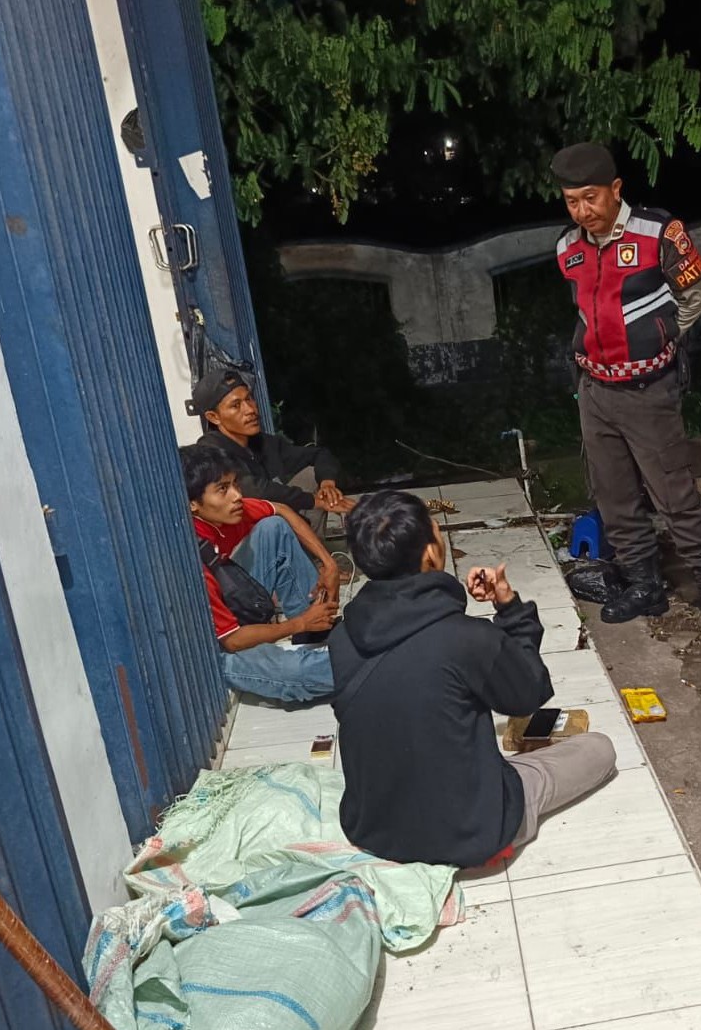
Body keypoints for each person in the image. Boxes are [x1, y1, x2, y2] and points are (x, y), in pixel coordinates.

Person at [329, 490, 617, 867]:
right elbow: (527, 694)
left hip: (373, 830)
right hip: (471, 832)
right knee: (599, 748)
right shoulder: (466, 638)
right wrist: (509, 607)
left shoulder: (342, 637)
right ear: (430, 553)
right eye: (436, 530)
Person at [549, 142, 701, 641]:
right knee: (614, 496)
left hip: (648, 391)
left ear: (615, 189)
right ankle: (645, 586)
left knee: (674, 494)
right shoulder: (567, 247)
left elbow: (695, 295)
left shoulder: (658, 233)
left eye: (591, 198)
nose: (582, 211)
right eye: (572, 201)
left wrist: (663, 336)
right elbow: (585, 311)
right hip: (595, 391)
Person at [180, 445, 340, 704]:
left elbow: (282, 509)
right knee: (297, 672)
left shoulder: (228, 511)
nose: (237, 496)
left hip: (235, 602)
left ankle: (316, 631)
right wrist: (298, 623)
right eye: (223, 489)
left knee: (273, 527)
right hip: (219, 647)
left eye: (235, 484)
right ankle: (362, 664)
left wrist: (328, 564)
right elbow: (233, 641)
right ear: (193, 504)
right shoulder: (191, 559)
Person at [191, 367, 355, 537]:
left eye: (249, 399)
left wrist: (327, 485)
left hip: (284, 521)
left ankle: (314, 547)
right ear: (214, 417)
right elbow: (254, 490)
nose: (250, 410)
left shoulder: (263, 442)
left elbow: (318, 454)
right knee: (273, 519)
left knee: (312, 473)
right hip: (250, 539)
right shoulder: (210, 450)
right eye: (236, 405)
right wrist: (314, 501)